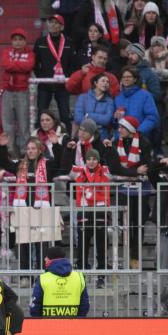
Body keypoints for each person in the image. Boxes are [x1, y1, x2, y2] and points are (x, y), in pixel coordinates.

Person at [0, 134, 62, 270]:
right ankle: (25, 275)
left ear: (40, 150)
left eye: (33, 148)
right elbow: (4, 163)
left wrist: (56, 145)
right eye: (28, 149)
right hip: (24, 211)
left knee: (42, 244)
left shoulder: (47, 165)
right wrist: (3, 147)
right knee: (23, 243)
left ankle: (41, 272)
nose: (30, 151)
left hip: (42, 212)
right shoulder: (20, 165)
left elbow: (60, 163)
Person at [102, 116, 152, 269]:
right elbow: (115, 168)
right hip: (123, 190)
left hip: (141, 191)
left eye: (122, 127)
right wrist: (134, 171)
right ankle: (124, 256)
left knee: (138, 225)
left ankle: (135, 257)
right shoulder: (116, 143)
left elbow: (145, 167)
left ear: (130, 129)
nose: (119, 130)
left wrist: (130, 172)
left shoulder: (144, 142)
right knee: (125, 225)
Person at [66, 149, 112, 277]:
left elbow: (115, 166)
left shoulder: (105, 171)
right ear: (85, 160)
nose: (91, 162)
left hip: (100, 211)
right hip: (85, 211)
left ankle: (102, 274)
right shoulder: (79, 171)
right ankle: (82, 273)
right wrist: (67, 149)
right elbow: (65, 166)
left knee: (102, 245)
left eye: (94, 159)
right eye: (89, 159)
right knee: (82, 245)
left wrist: (110, 149)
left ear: (98, 160)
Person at [34, 15, 74, 131]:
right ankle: (38, 142)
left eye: (56, 23)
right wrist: (41, 77)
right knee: (41, 114)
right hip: (45, 84)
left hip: (62, 85)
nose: (53, 25)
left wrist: (67, 77)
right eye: (51, 22)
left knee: (65, 115)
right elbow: (35, 63)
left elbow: (73, 63)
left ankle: (68, 140)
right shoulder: (40, 41)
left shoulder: (69, 42)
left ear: (62, 27)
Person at [0, 28, 35, 157]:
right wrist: (19, 65)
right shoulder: (6, 51)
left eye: (20, 39)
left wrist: (13, 64)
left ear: (25, 41)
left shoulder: (30, 53)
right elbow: (5, 64)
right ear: (11, 41)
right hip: (8, 92)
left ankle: (26, 153)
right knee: (7, 124)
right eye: (15, 40)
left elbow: (29, 66)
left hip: (22, 92)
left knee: (23, 124)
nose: (18, 42)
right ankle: (11, 153)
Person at [30, 246, 90, 317]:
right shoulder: (79, 277)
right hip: (73, 325)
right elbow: (85, 305)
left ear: (51, 259)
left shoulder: (43, 278)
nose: (45, 259)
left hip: (47, 326)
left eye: (47, 257)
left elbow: (35, 306)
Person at [114, 66, 159, 139]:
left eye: (129, 77)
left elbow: (152, 118)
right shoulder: (118, 96)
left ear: (135, 79)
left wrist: (138, 131)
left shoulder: (145, 95)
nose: (126, 79)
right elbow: (114, 121)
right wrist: (116, 118)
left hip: (140, 137)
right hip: (121, 138)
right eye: (123, 77)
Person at [74, 73, 115, 141]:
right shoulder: (83, 97)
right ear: (95, 83)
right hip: (83, 135)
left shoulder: (109, 101)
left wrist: (88, 115)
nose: (105, 83)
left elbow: (107, 120)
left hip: (101, 137)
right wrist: (97, 124)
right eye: (103, 81)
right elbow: (78, 118)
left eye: (107, 82)